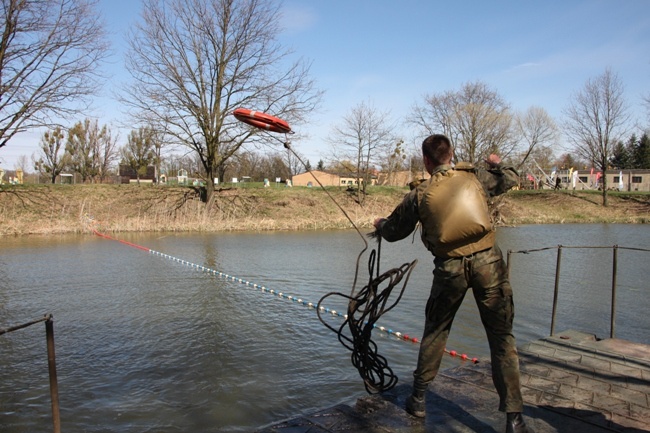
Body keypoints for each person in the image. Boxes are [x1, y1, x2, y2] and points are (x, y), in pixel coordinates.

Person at [372, 134, 533, 433]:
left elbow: (393, 232)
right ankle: (514, 418)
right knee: (501, 339)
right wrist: (496, 164)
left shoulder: (419, 195)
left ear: (426, 160)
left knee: (436, 331)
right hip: (489, 265)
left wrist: (379, 223)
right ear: (451, 154)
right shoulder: (477, 177)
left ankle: (418, 400)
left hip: (449, 269)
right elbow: (511, 177)